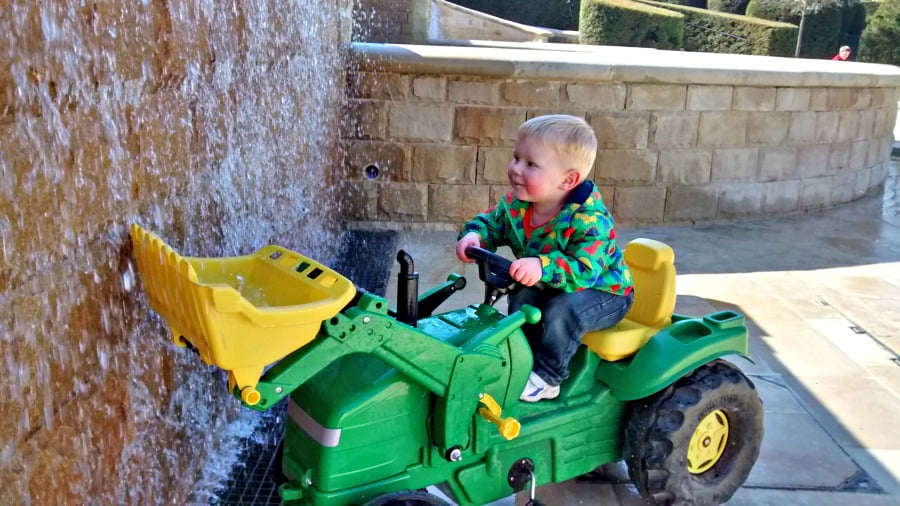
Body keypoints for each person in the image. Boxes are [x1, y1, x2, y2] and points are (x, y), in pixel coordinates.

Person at [455, 114, 633, 402]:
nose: (515, 169)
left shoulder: (590, 220)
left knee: (563, 309)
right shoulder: (518, 205)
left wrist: (541, 265)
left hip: (605, 292)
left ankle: (548, 377)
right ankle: (522, 358)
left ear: (568, 180)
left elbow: (585, 269)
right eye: (516, 158)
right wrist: (475, 235)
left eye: (531, 164)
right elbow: (492, 223)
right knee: (522, 295)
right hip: (555, 282)